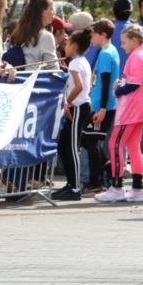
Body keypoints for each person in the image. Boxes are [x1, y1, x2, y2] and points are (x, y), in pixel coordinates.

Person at [95, 24, 143, 203]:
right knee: (133, 147)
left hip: (130, 110)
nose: (122, 46)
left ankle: (117, 187)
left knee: (115, 144)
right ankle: (137, 189)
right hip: (139, 110)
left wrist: (118, 91)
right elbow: (136, 82)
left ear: (134, 40)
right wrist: (122, 85)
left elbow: (134, 84)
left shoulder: (136, 56)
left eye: (124, 42)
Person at [52, 29, 93, 200]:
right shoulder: (81, 61)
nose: (65, 46)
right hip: (78, 107)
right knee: (63, 145)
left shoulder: (75, 63)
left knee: (72, 148)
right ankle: (70, 183)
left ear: (74, 46)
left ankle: (75, 188)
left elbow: (79, 87)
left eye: (67, 44)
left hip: (79, 107)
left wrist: (67, 103)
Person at [83, 18, 120, 194]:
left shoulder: (106, 54)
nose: (92, 39)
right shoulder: (110, 51)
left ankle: (97, 180)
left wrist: (103, 109)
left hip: (101, 106)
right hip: (102, 104)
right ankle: (106, 171)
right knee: (91, 141)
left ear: (103, 35)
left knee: (91, 141)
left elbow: (106, 83)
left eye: (94, 35)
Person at [6, 0, 58, 69]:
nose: (54, 13)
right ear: (42, 12)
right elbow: (53, 68)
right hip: (35, 79)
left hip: (16, 78)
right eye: (52, 9)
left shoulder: (18, 32)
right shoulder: (46, 36)